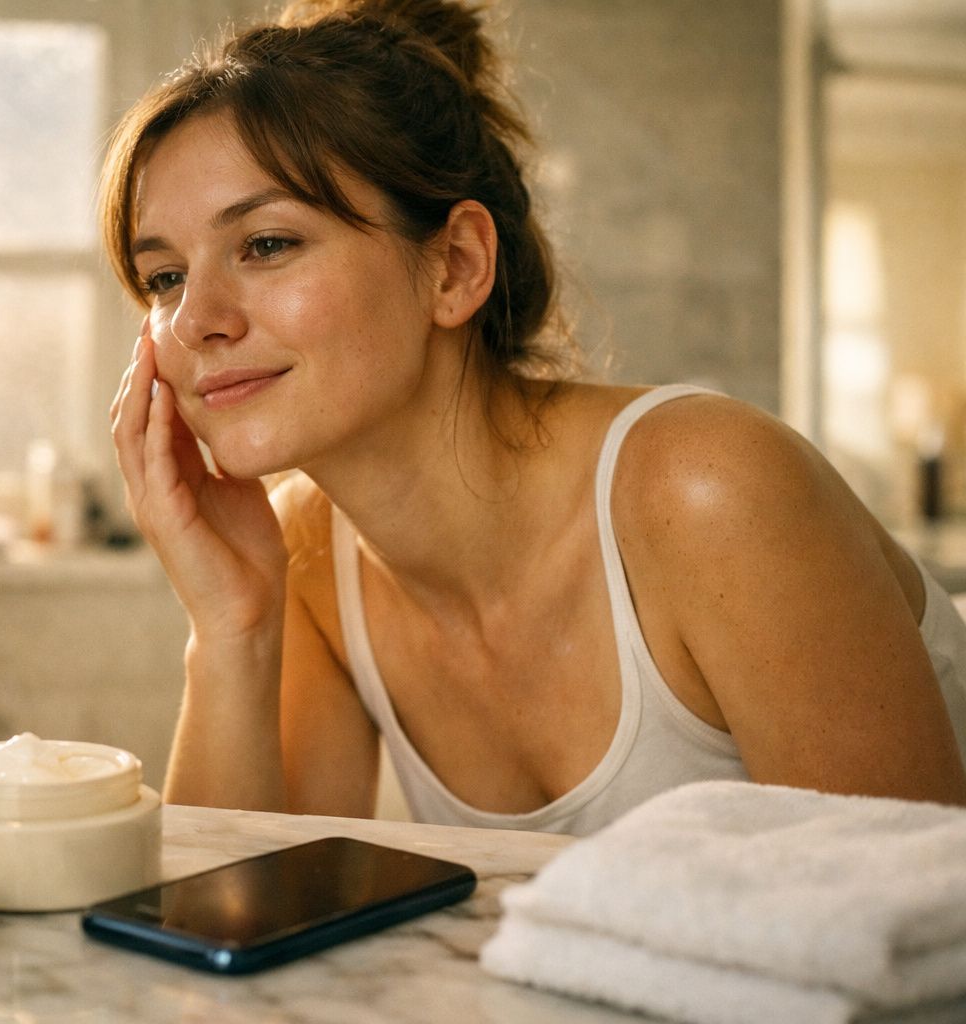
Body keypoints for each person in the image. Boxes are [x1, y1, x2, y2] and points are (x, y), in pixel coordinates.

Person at [103, 0, 966, 834]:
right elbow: (235, 927)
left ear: (456, 267)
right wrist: (231, 627)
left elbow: (909, 943)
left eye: (266, 245)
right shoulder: (302, 562)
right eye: (165, 277)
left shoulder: (709, 490)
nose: (194, 319)